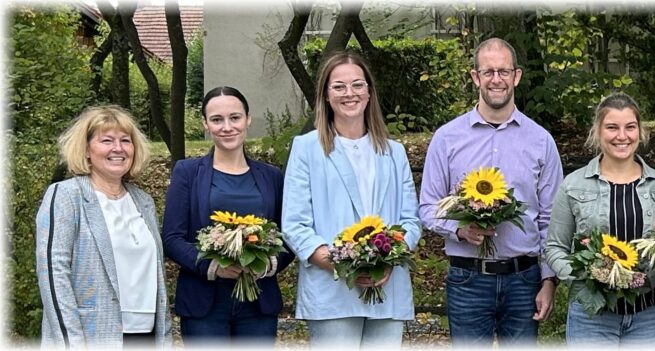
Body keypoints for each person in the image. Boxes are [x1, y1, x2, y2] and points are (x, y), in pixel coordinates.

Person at [418, 37, 563, 347]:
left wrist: (549, 280)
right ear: (475, 77)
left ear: (517, 76)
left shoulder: (541, 140)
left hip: (524, 280)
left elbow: (552, 218)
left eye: (503, 71)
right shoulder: (447, 139)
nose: (496, 79)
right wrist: (459, 229)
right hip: (468, 279)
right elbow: (428, 207)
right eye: (488, 72)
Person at [281, 52, 422, 348]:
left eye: (358, 85)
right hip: (332, 289)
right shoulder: (306, 149)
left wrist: (388, 261)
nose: (350, 93)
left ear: (369, 92)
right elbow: (295, 224)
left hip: (388, 287)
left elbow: (411, 219)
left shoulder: (394, 152)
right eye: (339, 86)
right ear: (326, 95)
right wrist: (344, 266)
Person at [161, 86, 295, 346]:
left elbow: (288, 235)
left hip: (258, 302)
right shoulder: (187, 173)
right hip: (204, 303)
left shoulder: (272, 176)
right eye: (217, 119)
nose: (227, 127)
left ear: (248, 119)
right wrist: (213, 266)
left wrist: (266, 264)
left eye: (235, 117)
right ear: (205, 124)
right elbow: (172, 237)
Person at [543, 92, 655, 347]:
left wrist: (651, 276)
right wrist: (590, 276)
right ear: (598, 131)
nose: (622, 136)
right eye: (612, 127)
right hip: (591, 317)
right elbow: (554, 247)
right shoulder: (573, 186)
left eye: (630, 127)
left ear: (640, 131)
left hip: (647, 315)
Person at [35, 105, 170, 348]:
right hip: (91, 335)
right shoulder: (66, 196)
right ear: (86, 151)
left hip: (146, 335)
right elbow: (54, 275)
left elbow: (156, 277)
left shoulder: (143, 201)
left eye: (125, 141)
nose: (118, 148)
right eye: (106, 140)